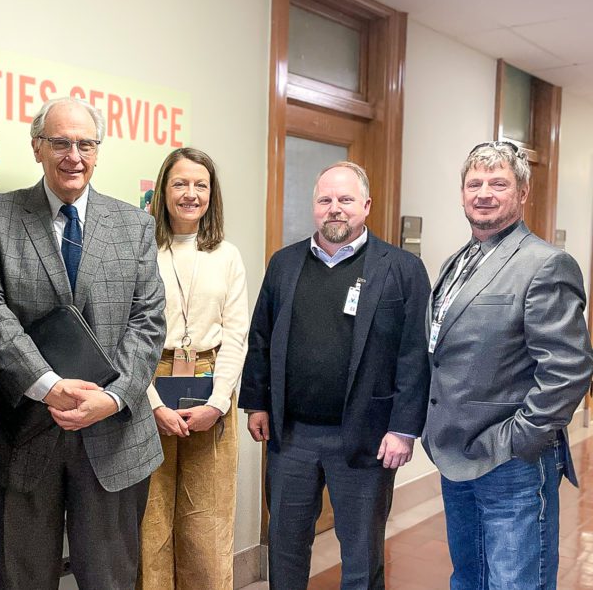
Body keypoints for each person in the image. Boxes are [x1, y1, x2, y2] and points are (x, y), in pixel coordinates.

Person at [0, 97, 166, 590]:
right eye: (59, 142)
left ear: (97, 152)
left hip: (115, 435)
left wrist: (113, 396)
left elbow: (148, 321)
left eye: (85, 143)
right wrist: (47, 384)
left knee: (111, 580)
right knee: (21, 578)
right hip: (25, 432)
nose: (72, 155)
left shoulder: (135, 225)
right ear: (37, 147)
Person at [240, 161, 431, 589]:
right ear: (314, 207)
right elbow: (261, 337)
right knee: (285, 548)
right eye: (325, 200)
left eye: (345, 200)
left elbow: (415, 356)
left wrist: (403, 429)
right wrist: (256, 402)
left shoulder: (401, 269)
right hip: (292, 437)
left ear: (365, 205)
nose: (335, 209)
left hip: (367, 436)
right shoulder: (285, 264)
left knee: (361, 555)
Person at [424, 141, 593, 589]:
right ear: (461, 194)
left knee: (516, 583)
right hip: (456, 454)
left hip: (511, 462)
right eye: (474, 183)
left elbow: (569, 368)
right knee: (470, 578)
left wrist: (520, 438)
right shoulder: (456, 263)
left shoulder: (545, 264)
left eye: (498, 183)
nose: (484, 193)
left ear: (522, 193)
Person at [137, 148, 249, 590]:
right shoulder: (142, 249)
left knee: (208, 522)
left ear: (212, 194)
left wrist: (218, 404)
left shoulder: (227, 254)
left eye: (200, 185)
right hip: (149, 383)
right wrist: (150, 405)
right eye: (180, 183)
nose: (191, 193)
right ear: (163, 190)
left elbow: (236, 334)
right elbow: (129, 333)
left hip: (210, 384)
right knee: (151, 520)